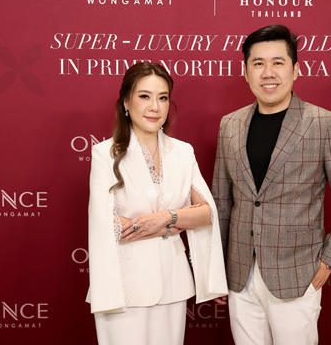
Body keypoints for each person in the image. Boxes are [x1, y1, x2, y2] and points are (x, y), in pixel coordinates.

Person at [212, 25, 331, 345]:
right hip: (239, 274)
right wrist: (217, 269)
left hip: (297, 273)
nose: (268, 72)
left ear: (295, 70)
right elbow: (222, 202)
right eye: (258, 63)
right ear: (246, 72)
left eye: (278, 62)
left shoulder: (324, 124)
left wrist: (330, 260)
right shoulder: (230, 125)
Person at [86, 62, 228, 345]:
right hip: (124, 288)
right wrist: (174, 225)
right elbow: (109, 224)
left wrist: (166, 218)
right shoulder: (105, 153)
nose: (154, 107)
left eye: (163, 98)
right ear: (126, 102)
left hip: (173, 284)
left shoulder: (183, 152)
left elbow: (206, 213)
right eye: (144, 96)